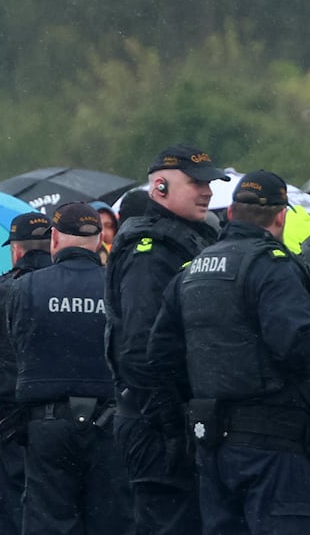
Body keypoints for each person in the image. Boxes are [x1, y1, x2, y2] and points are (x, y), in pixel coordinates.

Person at [147, 170, 310, 533]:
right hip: (276, 446)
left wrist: (184, 420)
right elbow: (300, 345)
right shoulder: (272, 268)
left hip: (213, 444)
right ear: (281, 215)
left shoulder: (191, 271)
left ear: (232, 214)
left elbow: (158, 358)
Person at [105, 144, 228, 534]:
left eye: (209, 182)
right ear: (159, 186)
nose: (207, 191)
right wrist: (172, 423)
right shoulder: (151, 252)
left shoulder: (187, 238)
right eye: (196, 183)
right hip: (155, 418)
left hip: (173, 413)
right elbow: (140, 348)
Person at [8, 203, 130, 533]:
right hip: (108, 424)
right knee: (109, 521)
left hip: (47, 425)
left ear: (55, 240)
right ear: (100, 240)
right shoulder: (117, 287)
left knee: (48, 520)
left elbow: (15, 351)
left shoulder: (25, 288)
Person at [0, 212, 53, 535]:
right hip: (64, 413)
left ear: (16, 250)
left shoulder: (2, 293)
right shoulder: (66, 284)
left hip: (13, 413)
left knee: (12, 498)